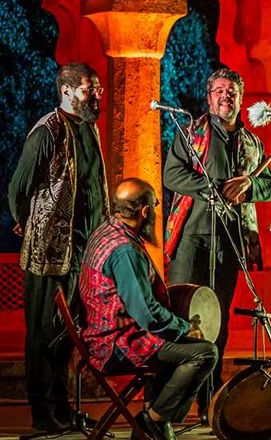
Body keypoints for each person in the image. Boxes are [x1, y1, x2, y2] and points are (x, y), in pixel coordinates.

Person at [163, 68, 271, 404]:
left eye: (233, 92)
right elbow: (172, 174)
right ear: (209, 96)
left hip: (230, 239)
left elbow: (268, 185)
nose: (226, 96)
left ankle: (208, 400)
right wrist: (212, 189)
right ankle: (172, 400)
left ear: (241, 99)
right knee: (183, 316)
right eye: (220, 90)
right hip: (191, 237)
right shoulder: (190, 134)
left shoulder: (252, 142)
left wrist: (249, 185)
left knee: (219, 318)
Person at [7, 62, 109, 432]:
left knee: (69, 333)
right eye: (88, 88)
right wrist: (26, 219)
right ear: (66, 91)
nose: (96, 95)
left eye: (97, 88)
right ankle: (43, 411)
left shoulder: (89, 130)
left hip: (83, 250)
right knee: (44, 332)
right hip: (49, 250)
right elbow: (20, 186)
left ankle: (63, 407)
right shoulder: (47, 131)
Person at [80, 179, 216, 440]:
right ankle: (153, 420)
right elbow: (148, 315)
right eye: (154, 205)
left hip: (103, 332)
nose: (155, 210)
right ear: (144, 211)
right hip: (116, 343)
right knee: (204, 353)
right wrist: (186, 327)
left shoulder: (106, 231)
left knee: (178, 346)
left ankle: (156, 418)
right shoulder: (125, 252)